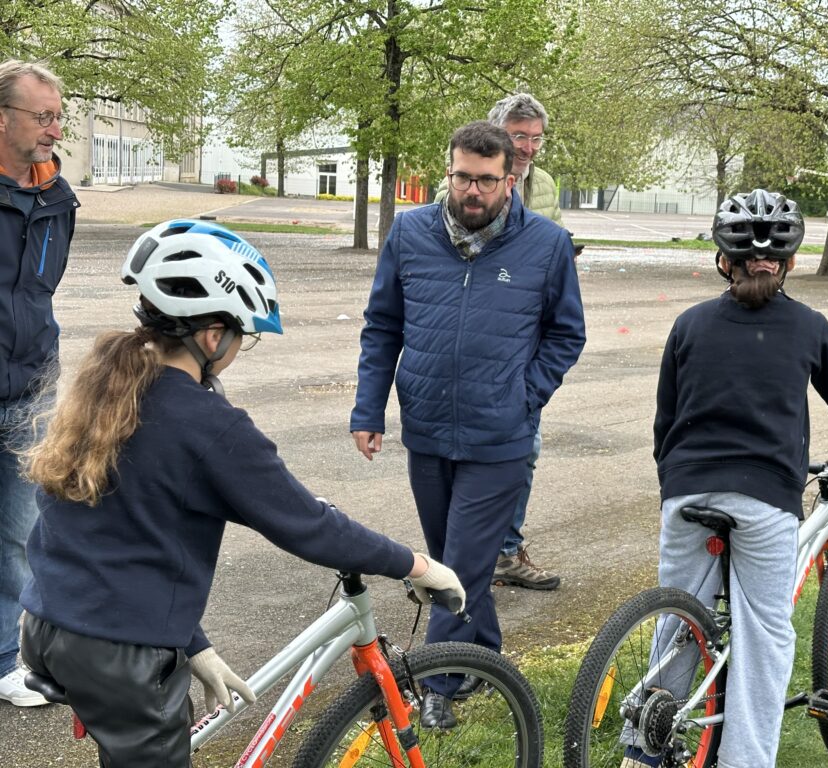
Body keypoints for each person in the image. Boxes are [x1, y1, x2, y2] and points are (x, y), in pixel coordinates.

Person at [17, 219, 464, 765]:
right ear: (213, 336)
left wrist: (191, 642)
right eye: (242, 336)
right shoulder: (209, 424)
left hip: (48, 622)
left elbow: (114, 530)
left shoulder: (109, 388)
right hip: (117, 650)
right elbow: (309, 526)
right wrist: (416, 565)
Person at [622, 189, 828, 768]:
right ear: (790, 262)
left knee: (677, 619)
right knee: (764, 633)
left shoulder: (689, 324)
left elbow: (664, 422)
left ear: (725, 261)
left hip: (687, 491)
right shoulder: (808, 327)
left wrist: (676, 482)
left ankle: (645, 746)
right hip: (764, 496)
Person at [351, 121, 585, 726]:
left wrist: (524, 396)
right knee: (457, 561)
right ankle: (486, 658)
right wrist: (369, 409)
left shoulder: (547, 245)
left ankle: (440, 683)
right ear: (448, 173)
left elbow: (566, 333)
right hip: (427, 429)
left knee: (457, 565)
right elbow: (383, 326)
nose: (472, 190)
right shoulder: (410, 233)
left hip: (500, 438)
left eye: (485, 180)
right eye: (462, 177)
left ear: (510, 181)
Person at [436, 92, 564, 590]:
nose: (528, 147)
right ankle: (461, 555)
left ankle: (504, 551)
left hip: (524, 345)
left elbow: (551, 250)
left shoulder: (544, 185)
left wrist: (532, 387)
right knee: (464, 457)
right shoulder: (463, 183)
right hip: (476, 342)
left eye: (535, 138)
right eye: (518, 136)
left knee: (524, 450)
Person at [0, 59, 79, 708]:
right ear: (3, 119)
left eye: (58, 117)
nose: (55, 130)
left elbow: (40, 293)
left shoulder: (57, 199)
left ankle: (8, 660)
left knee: (21, 531)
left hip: (30, 389)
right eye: (43, 117)